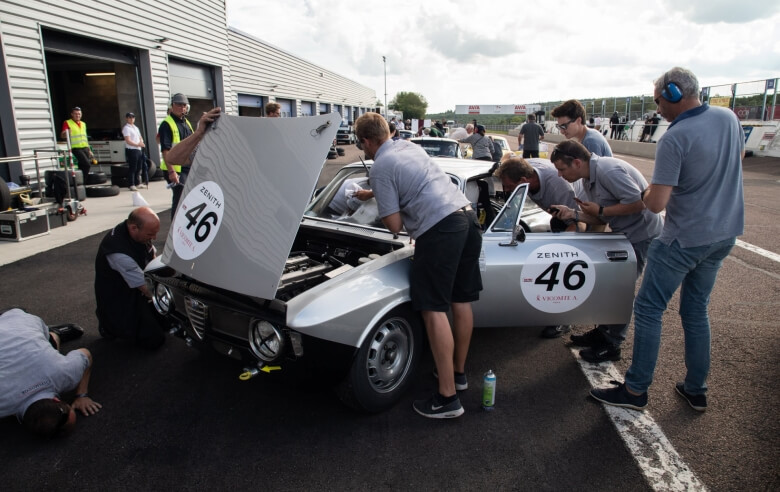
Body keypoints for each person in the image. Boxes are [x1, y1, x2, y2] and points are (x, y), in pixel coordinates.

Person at [590, 67, 744, 412]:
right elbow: (737, 160)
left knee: (647, 310)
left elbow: (655, 203)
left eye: (659, 100)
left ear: (673, 95)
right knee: (695, 311)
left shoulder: (675, 136)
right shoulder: (728, 117)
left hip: (683, 239)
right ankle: (695, 388)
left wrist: (647, 190)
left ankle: (634, 391)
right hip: (724, 234)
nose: (658, 108)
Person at [354, 112, 483, 419]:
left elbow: (396, 226)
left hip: (439, 230)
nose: (364, 150)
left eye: (362, 145)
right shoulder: (408, 147)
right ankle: (458, 376)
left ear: (368, 141)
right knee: (460, 300)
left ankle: (447, 399)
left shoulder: (380, 166)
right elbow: (413, 183)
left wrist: (380, 200)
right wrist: (376, 192)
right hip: (464, 217)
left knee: (433, 308)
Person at [549, 139, 663, 363]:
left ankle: (613, 344)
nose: (560, 175)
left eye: (562, 169)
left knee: (621, 289)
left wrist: (602, 209)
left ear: (577, 163)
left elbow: (640, 203)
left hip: (641, 234)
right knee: (609, 285)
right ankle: (603, 332)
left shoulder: (608, 170)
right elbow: (601, 216)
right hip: (623, 234)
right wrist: (573, 214)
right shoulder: (585, 180)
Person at [0, 308, 101, 437]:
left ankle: (52, 334)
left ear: (56, 399)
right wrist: (81, 395)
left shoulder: (65, 374)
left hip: (14, 317)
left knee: (48, 351)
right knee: (47, 350)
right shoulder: (64, 373)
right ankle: (53, 335)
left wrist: (82, 395)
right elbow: (86, 355)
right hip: (15, 319)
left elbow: (86, 354)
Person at [94, 207, 167, 349]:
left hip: (134, 286)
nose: (154, 238)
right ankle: (108, 326)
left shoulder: (137, 234)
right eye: (151, 234)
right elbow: (146, 288)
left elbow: (152, 261)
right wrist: (169, 297)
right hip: (119, 298)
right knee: (154, 339)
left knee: (167, 321)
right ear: (134, 228)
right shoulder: (119, 253)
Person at [159, 93, 194, 218]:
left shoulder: (186, 123)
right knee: (179, 199)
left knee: (188, 198)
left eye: (184, 105)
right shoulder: (167, 124)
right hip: (175, 169)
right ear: (171, 106)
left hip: (186, 167)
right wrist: (171, 172)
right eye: (178, 105)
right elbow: (165, 150)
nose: (181, 108)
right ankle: (174, 227)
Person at [60, 106, 94, 176]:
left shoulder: (83, 124)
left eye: (79, 114)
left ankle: (81, 183)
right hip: (76, 148)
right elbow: (62, 135)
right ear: (72, 114)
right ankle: (82, 181)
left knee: (83, 166)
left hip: (84, 147)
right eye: (76, 114)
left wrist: (89, 150)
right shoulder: (67, 122)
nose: (77, 115)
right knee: (87, 164)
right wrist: (66, 133)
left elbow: (85, 138)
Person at [122, 112, 146, 191]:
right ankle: (131, 184)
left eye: (133, 117)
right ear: (127, 118)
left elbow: (140, 137)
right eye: (130, 117)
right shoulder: (126, 128)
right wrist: (137, 144)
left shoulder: (136, 128)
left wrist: (141, 142)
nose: (131, 119)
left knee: (139, 167)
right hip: (132, 149)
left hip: (138, 149)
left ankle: (138, 183)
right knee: (133, 167)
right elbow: (128, 140)